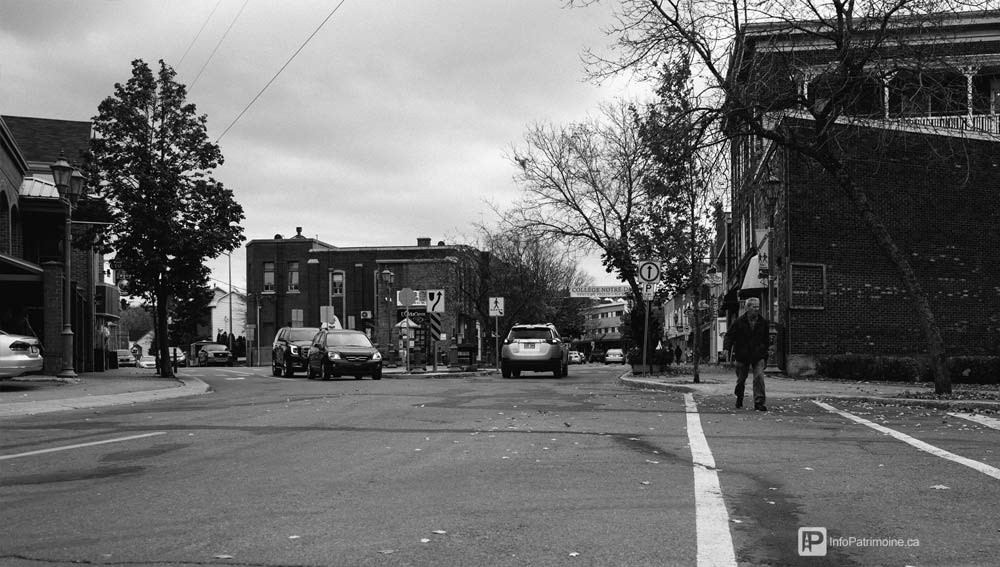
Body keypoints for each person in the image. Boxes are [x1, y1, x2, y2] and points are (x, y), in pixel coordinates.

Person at [723, 297, 772, 411]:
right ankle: (739, 396)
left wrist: (765, 354)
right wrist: (726, 348)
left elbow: (766, 340)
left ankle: (759, 402)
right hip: (742, 354)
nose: (757, 309)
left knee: (759, 377)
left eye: (758, 307)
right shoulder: (739, 322)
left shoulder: (763, 322)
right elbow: (729, 336)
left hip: (758, 354)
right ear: (748, 308)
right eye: (754, 307)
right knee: (741, 380)